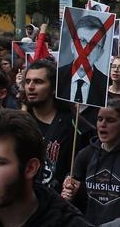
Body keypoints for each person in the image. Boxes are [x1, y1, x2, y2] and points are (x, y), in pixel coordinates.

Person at [62, 100, 120, 225]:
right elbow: (74, 193)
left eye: (110, 120)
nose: (103, 124)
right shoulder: (85, 154)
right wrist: (69, 193)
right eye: (100, 119)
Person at [23, 59, 91, 190]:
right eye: (27, 81)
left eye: (38, 82)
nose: (30, 87)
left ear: (54, 88)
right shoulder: (19, 121)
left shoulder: (76, 126)